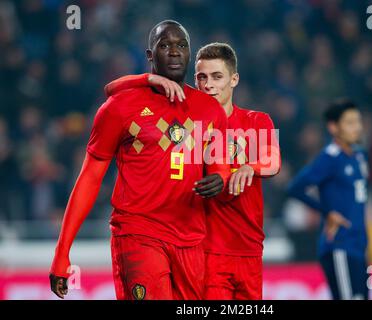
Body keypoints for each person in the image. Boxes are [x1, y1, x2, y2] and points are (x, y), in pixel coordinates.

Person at [49, 20, 229, 300]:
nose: (173, 52)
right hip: (138, 234)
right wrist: (62, 252)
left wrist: (220, 177)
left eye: (181, 45)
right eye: (165, 45)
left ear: (190, 54)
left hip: (191, 241)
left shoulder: (210, 110)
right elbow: (89, 178)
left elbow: (218, 164)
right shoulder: (120, 107)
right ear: (149, 55)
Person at [105, 42, 281, 300]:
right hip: (207, 251)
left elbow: (273, 161)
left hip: (250, 250)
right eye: (202, 77)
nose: (208, 84)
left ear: (234, 79)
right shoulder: (190, 125)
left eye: (217, 76)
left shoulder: (257, 121)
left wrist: (249, 167)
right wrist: (149, 78)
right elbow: (112, 89)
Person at [287, 99, 370, 300]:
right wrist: (327, 211)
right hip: (339, 245)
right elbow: (295, 187)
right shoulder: (329, 158)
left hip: (359, 245)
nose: (357, 127)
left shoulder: (359, 157)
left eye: (358, 121)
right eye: (350, 123)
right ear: (333, 127)